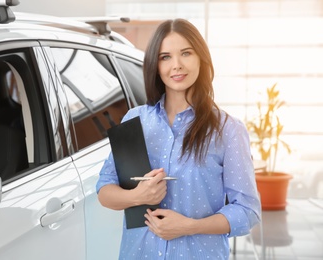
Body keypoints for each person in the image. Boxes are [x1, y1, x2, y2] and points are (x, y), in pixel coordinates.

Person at [96, 18, 261, 259]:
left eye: (186, 53)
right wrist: (137, 197)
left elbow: (248, 211)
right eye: (166, 57)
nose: (177, 65)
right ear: (155, 64)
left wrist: (189, 226)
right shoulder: (135, 120)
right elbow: (104, 190)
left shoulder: (228, 129)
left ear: (201, 59)